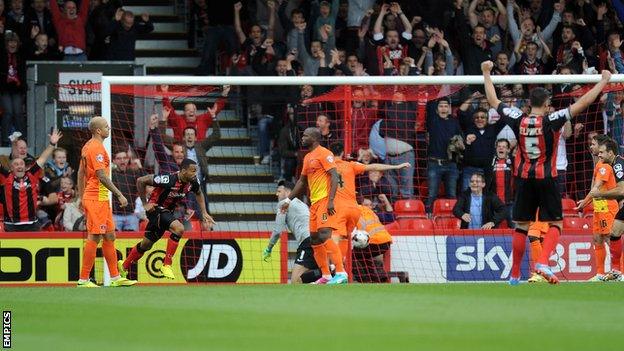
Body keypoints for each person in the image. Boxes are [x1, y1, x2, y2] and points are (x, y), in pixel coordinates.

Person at [482, 60, 612, 285]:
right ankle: (543, 261)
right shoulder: (552, 120)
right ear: (547, 103)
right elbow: (583, 102)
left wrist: (485, 72)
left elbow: (493, 101)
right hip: (548, 178)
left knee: (521, 227)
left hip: (523, 180)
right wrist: (603, 82)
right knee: (556, 224)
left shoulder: (517, 118)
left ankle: (514, 276)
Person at [119, 159, 215, 281]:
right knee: (179, 228)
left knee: (146, 245)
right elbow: (140, 180)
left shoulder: (192, 182)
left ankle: (123, 266)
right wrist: (145, 204)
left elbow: (199, 193)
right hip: (155, 210)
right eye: (193, 171)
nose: (195, 173)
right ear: (184, 171)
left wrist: (204, 212)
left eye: (196, 171)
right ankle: (166, 265)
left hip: (167, 213)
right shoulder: (168, 179)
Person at [280, 127, 346, 285]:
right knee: (315, 240)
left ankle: (341, 272)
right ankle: (326, 275)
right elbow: (302, 181)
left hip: (324, 201)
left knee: (324, 235)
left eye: (305, 135)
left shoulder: (325, 153)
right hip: (314, 204)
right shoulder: (308, 157)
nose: (302, 138)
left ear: (315, 138)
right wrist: (288, 200)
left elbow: (335, 177)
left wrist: (330, 201)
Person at [76, 116, 136, 288]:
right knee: (94, 236)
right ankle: (83, 279)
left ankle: (116, 278)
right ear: (98, 130)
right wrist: (119, 195)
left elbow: (81, 173)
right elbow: (102, 176)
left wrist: (81, 196)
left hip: (100, 198)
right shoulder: (96, 148)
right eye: (106, 126)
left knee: (110, 235)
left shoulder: (88, 146)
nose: (109, 128)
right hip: (96, 197)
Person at [329, 141, 410, 259]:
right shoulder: (350, 165)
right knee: (348, 240)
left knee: (336, 238)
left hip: (338, 209)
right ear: (342, 153)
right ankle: (341, 268)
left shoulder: (326, 167)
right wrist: (396, 166)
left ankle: (335, 268)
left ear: (330, 154)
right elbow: (374, 166)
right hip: (353, 209)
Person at [0, 129, 61, 231]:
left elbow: (42, 158)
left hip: (32, 224)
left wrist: (52, 144)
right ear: (11, 168)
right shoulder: (7, 177)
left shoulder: (32, 175)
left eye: (21, 164)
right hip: (11, 225)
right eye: (16, 164)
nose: (19, 166)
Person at [575, 135, 618, 281]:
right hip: (599, 207)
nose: (591, 147)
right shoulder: (598, 163)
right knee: (597, 238)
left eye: (593, 144)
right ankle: (600, 274)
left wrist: (584, 202)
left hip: (608, 206)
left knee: (610, 239)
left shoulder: (604, 166)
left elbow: (596, 189)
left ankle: (619, 271)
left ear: (601, 147)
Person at [262, 180, 316, 284]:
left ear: (288, 192)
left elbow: (278, 230)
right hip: (318, 239)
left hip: (307, 241)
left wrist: (269, 248)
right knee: (307, 276)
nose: (276, 194)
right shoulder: (303, 204)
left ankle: (327, 273)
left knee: (295, 281)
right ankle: (326, 272)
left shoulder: (283, 204)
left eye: (279, 191)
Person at [352, 203, 392, 283]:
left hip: (374, 241)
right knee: (363, 256)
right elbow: (390, 218)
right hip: (386, 241)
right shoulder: (367, 209)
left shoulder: (351, 211)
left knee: (351, 256)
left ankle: (363, 280)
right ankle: (375, 279)